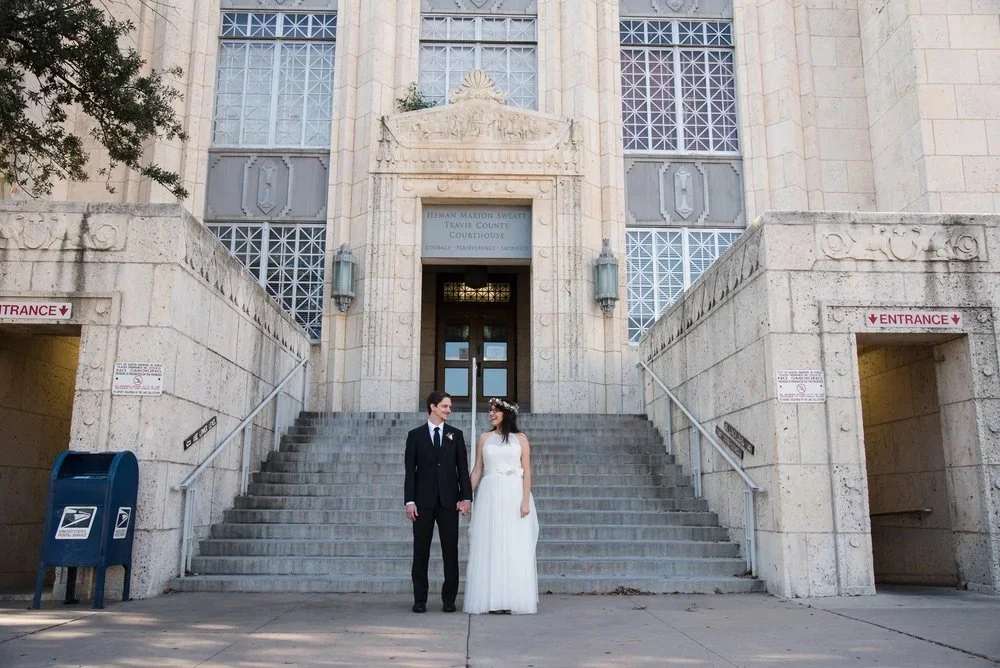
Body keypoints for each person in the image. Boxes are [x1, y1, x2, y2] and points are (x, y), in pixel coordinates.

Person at [463, 397, 539, 615]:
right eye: (490, 411)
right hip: (490, 494)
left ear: (507, 414)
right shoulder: (484, 438)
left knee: (513, 544)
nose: (491, 414)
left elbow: (527, 471)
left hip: (514, 492)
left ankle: (512, 598)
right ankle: (491, 598)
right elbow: (477, 470)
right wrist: (466, 496)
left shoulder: (521, 439)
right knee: (491, 543)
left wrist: (525, 500)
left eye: (496, 411)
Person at [404, 391, 473, 613]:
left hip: (448, 502)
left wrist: (466, 498)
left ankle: (449, 599)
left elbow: (462, 469)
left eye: (449, 407)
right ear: (432, 407)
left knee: (450, 551)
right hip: (422, 503)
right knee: (420, 551)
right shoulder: (415, 436)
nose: (449, 410)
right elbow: (410, 472)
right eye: (445, 406)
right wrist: (409, 501)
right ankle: (420, 599)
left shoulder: (456, 435)